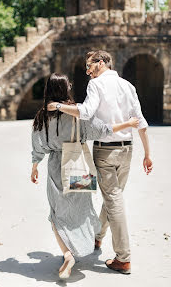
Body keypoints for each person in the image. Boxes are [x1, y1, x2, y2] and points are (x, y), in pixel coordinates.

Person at [47, 51, 153, 275]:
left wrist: (57, 106)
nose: (87, 71)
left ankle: (123, 258)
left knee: (113, 201)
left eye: (89, 66)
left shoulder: (96, 85)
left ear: (102, 62)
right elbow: (140, 121)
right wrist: (147, 153)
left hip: (105, 151)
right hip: (128, 150)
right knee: (112, 197)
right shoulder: (128, 86)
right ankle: (97, 238)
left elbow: (85, 113)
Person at [31, 73, 139, 279]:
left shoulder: (42, 116)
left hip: (56, 170)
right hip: (78, 166)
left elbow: (38, 145)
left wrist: (34, 166)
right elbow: (103, 130)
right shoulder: (78, 114)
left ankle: (68, 254)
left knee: (57, 215)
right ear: (66, 89)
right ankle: (84, 245)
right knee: (81, 210)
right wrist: (127, 124)